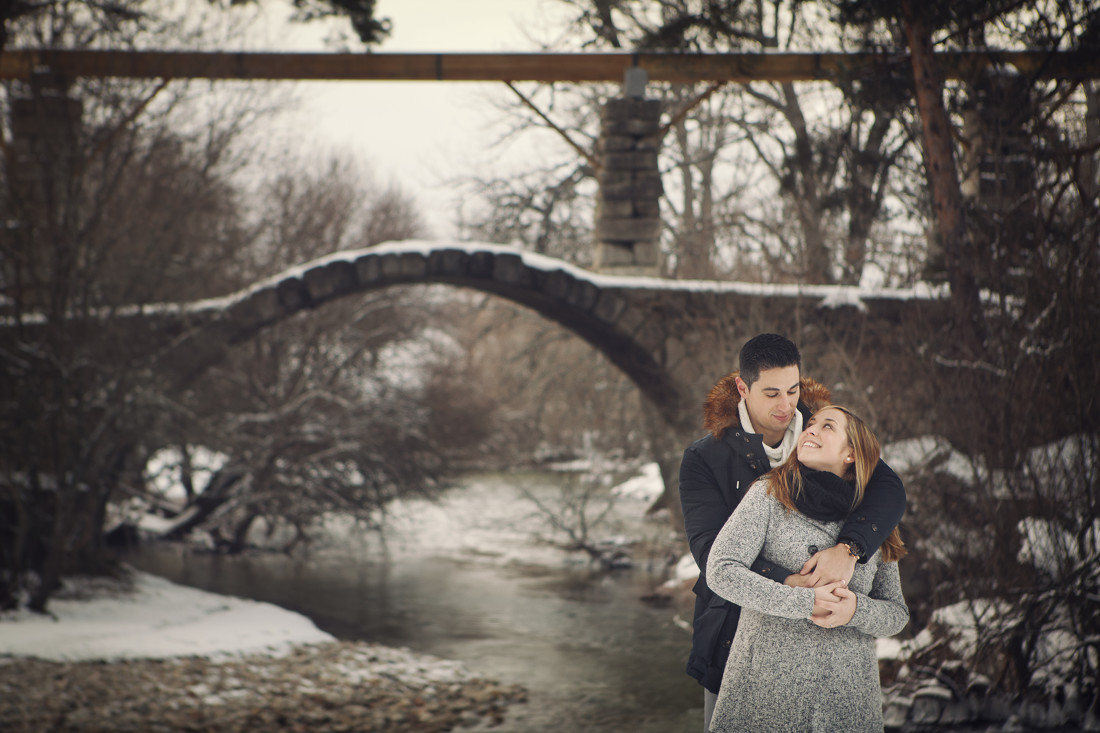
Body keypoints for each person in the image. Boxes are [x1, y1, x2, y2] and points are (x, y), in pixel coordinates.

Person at [678, 333, 906, 731]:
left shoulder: (827, 433)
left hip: (844, 684)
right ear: (743, 389)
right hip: (735, 636)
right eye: (771, 394)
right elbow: (713, 556)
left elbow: (886, 485)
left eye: (793, 390)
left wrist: (849, 549)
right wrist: (793, 586)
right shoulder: (710, 459)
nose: (787, 406)